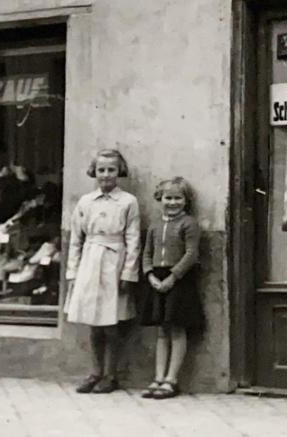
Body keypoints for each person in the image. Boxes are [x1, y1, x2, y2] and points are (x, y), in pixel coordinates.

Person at [64, 149, 142, 394]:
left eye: (111, 170)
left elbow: (133, 240)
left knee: (111, 323)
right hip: (89, 261)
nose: (106, 175)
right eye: (101, 170)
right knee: (93, 322)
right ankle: (95, 372)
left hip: (114, 262)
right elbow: (76, 240)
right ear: (94, 172)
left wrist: (128, 273)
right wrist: (72, 273)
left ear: (119, 171)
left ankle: (111, 374)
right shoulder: (86, 202)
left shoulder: (128, 201)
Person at [138, 177, 204, 400]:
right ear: (160, 199)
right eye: (168, 198)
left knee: (176, 328)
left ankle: (171, 379)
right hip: (157, 278)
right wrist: (150, 275)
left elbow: (191, 254)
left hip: (179, 280)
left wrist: (173, 277)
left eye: (178, 198)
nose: (173, 202)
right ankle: (158, 377)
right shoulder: (155, 226)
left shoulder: (189, 223)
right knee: (161, 331)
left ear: (186, 200)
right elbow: (147, 253)